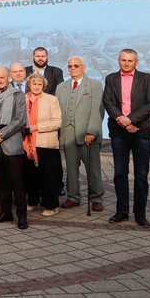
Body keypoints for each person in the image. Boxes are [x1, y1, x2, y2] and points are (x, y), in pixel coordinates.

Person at [103, 49, 150, 228]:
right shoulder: (111, 79)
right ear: (118, 60)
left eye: (130, 60)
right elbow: (108, 102)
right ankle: (122, 211)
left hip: (142, 131)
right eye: (123, 60)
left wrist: (131, 119)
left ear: (136, 62)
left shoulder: (147, 79)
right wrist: (124, 122)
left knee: (141, 175)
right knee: (120, 173)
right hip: (120, 132)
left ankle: (140, 214)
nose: (126, 63)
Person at [0, 66, 30, 229]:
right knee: (1, 182)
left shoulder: (17, 95)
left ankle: (22, 216)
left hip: (11, 142)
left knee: (17, 182)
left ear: (8, 77)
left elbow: (19, 120)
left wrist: (0, 134)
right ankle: (5, 212)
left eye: (2, 77)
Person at [55, 56, 105, 213]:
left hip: (87, 134)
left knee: (93, 168)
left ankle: (96, 198)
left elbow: (98, 110)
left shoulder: (94, 85)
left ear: (84, 67)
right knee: (70, 168)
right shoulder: (61, 87)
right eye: (70, 66)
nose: (73, 68)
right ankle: (73, 197)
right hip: (68, 134)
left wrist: (92, 131)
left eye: (76, 66)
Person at [22, 73, 63, 217]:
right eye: (34, 84)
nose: (37, 86)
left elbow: (57, 122)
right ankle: (33, 201)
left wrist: (35, 127)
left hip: (46, 143)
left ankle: (51, 206)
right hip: (26, 144)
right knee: (30, 175)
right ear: (29, 85)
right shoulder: (22, 99)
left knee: (48, 176)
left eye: (40, 84)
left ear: (43, 85)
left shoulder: (52, 100)